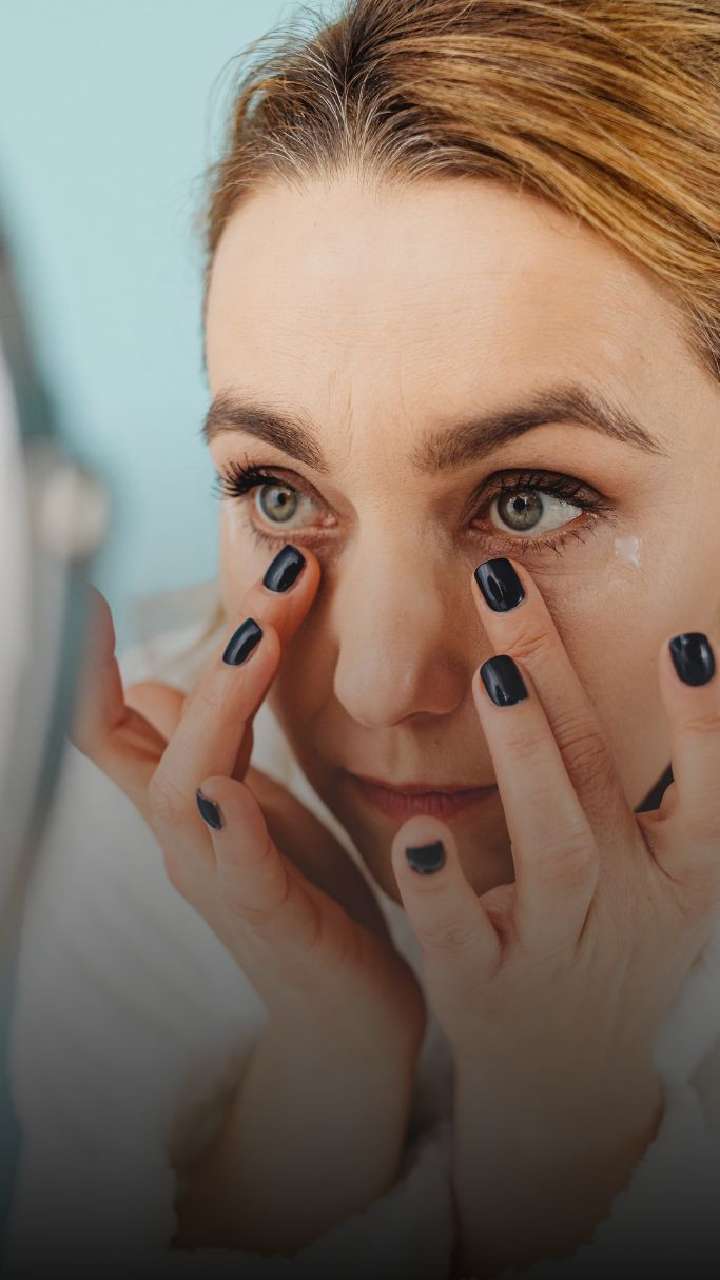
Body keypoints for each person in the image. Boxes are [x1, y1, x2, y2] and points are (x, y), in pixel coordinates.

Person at [5, 0, 720, 1276]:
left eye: (529, 499)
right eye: (278, 492)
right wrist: (327, 1065)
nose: (381, 682)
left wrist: (561, 1123)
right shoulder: (157, 821)